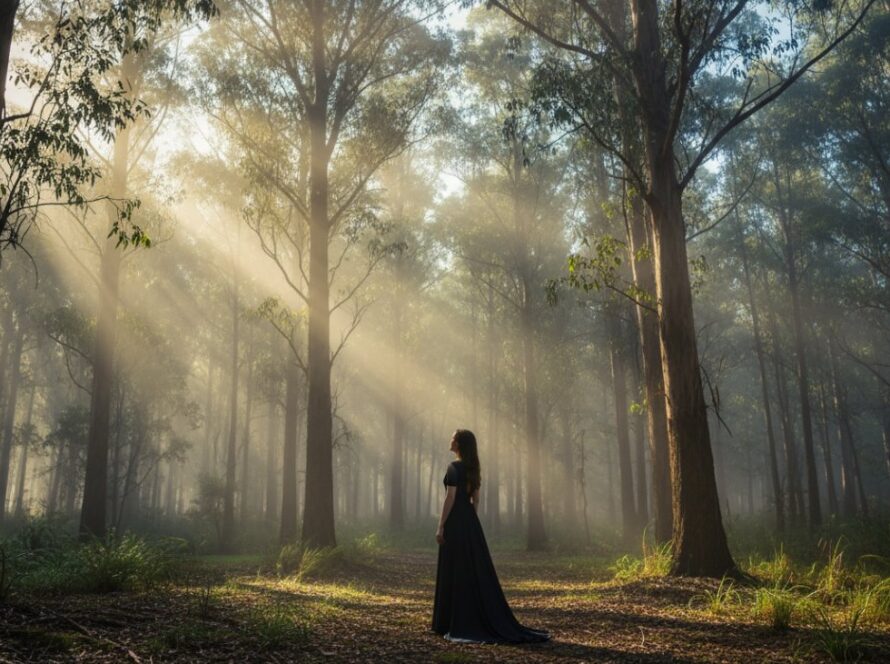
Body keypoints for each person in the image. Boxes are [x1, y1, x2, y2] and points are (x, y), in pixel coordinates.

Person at [432, 429, 550, 644]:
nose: (450, 440)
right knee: (471, 570)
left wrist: (441, 526)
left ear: (459, 444)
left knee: (455, 568)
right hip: (470, 522)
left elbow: (450, 498)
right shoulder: (473, 468)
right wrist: (471, 523)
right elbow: (475, 500)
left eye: (453, 438)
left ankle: (448, 621)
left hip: (455, 523)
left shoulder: (454, 467)